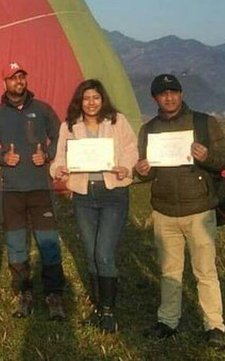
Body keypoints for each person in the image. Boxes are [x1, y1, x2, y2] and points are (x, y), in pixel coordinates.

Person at [134, 74, 225, 350]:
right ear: (154, 98)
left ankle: (214, 325)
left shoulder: (204, 123)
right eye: (163, 94)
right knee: (169, 271)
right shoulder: (149, 129)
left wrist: (207, 157)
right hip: (164, 211)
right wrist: (140, 171)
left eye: (174, 92)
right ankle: (168, 321)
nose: (169, 97)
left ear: (181, 93)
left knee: (205, 271)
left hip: (199, 211)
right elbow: (148, 170)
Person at [50, 79, 138, 333]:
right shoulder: (69, 126)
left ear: (103, 100)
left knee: (104, 253)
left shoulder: (117, 121)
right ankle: (98, 308)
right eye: (86, 98)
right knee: (90, 253)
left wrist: (126, 167)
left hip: (113, 193)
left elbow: (131, 149)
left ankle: (109, 312)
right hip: (84, 195)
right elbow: (58, 159)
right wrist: (59, 170)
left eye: (96, 98)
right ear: (80, 101)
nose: (91, 103)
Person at [0, 62, 67, 320]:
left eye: (21, 77)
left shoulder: (42, 109)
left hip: (40, 188)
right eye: (12, 78)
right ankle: (24, 292)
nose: (18, 81)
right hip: (11, 190)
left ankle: (54, 294)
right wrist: (1, 157)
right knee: (16, 244)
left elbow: (60, 136)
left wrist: (48, 154)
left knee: (48, 243)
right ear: (5, 83)